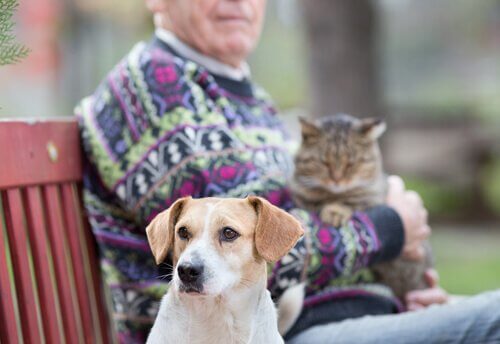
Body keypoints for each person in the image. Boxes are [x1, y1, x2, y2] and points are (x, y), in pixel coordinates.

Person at [75, 0, 500, 343]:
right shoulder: (150, 90)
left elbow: (285, 231)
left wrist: (405, 292)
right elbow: (251, 253)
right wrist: (391, 227)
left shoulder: (241, 92)